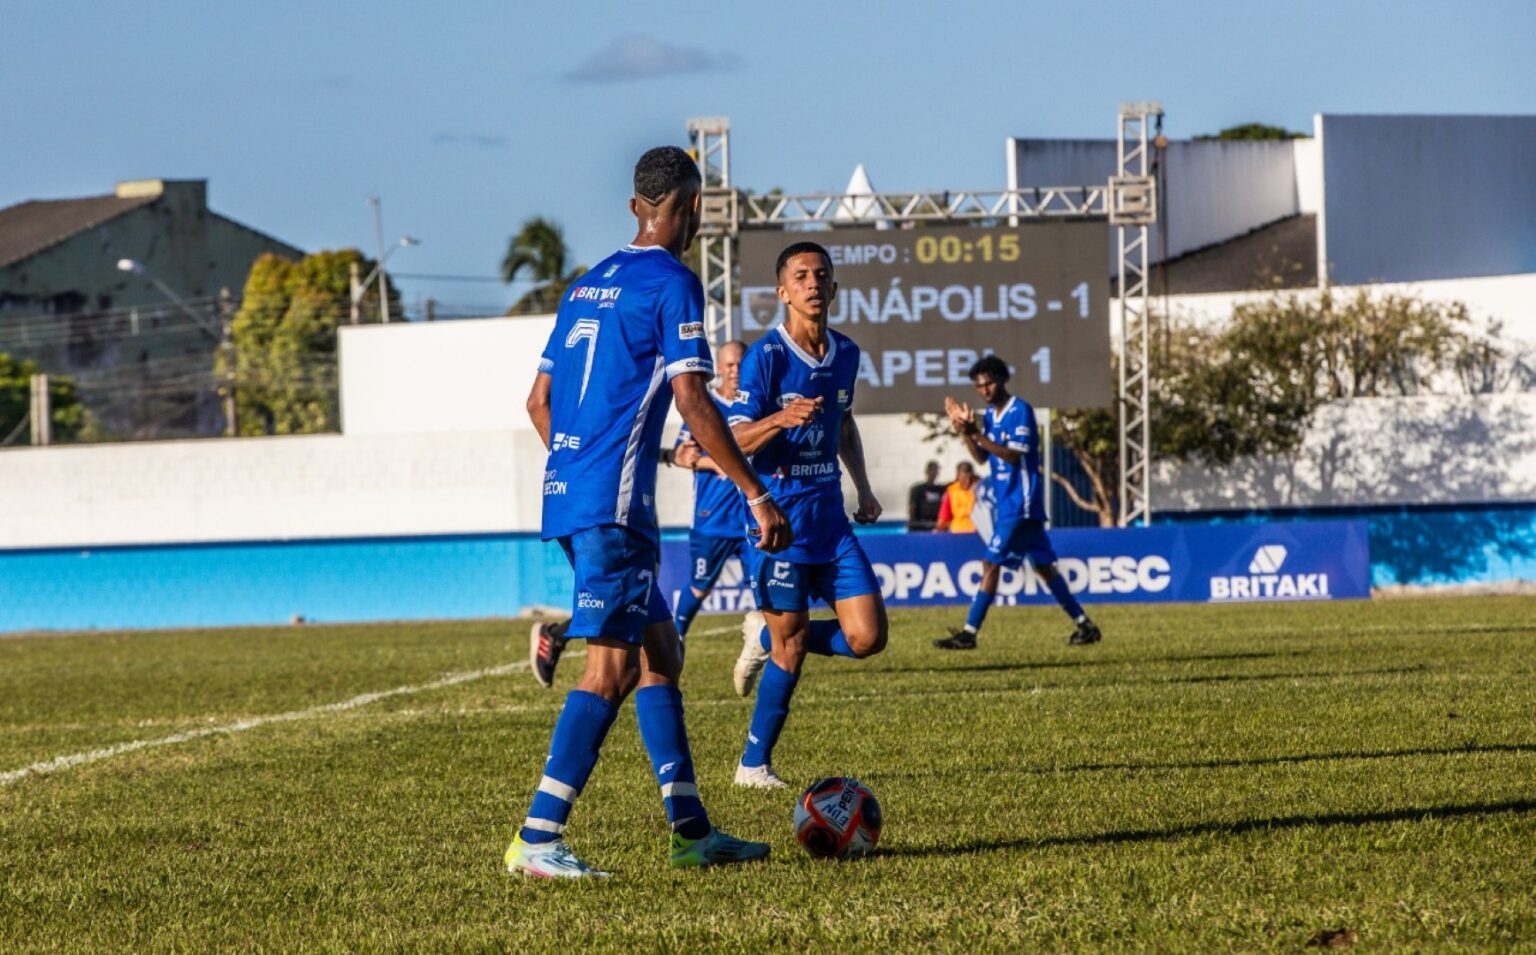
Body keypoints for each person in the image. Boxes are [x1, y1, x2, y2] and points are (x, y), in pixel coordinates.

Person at [508, 146, 792, 879]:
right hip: (611, 504)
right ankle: (538, 839)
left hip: (573, 490)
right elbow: (695, 398)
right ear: (692, 207)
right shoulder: (674, 282)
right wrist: (756, 492)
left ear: (637, 204)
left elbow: (538, 402)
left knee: (662, 655)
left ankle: (691, 830)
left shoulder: (584, 285)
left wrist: (581, 466)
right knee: (610, 668)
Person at [726, 240, 888, 789]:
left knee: (868, 638)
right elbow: (735, 440)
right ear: (782, 291)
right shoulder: (765, 357)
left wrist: (862, 487)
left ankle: (765, 636)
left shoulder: (846, 352)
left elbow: (842, 423)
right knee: (793, 649)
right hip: (780, 525)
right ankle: (753, 765)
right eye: (801, 276)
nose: (812, 283)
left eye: (821, 275)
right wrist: (780, 418)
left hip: (831, 523)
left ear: (835, 288)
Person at [932, 355, 1102, 650]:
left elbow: (1013, 454)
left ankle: (969, 633)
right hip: (1009, 505)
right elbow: (982, 457)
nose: (985, 390)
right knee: (1045, 568)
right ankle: (1085, 625)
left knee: (990, 562)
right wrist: (966, 434)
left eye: (989, 383)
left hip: (1020, 505)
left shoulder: (1019, 410)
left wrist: (975, 434)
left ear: (1002, 380)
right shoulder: (991, 416)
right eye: (980, 386)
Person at [667, 340, 749, 639]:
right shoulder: (705, 405)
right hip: (712, 516)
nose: (735, 370)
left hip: (752, 515)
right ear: (719, 368)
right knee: (700, 586)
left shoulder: (757, 403)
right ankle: (676, 638)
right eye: (729, 365)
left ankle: (765, 648)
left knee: (764, 589)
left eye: (740, 363)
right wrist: (711, 462)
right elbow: (683, 454)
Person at [935, 461, 979, 533]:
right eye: (964, 478)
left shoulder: (979, 489)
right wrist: (937, 529)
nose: (967, 481)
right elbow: (943, 516)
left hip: (976, 532)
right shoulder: (951, 491)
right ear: (958, 475)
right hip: (957, 532)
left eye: (970, 478)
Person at [907, 460, 945, 531]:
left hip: (935, 526)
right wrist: (913, 525)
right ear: (927, 471)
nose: (934, 473)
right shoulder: (917, 489)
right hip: (920, 526)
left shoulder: (940, 489)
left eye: (936, 471)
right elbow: (912, 507)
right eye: (932, 470)